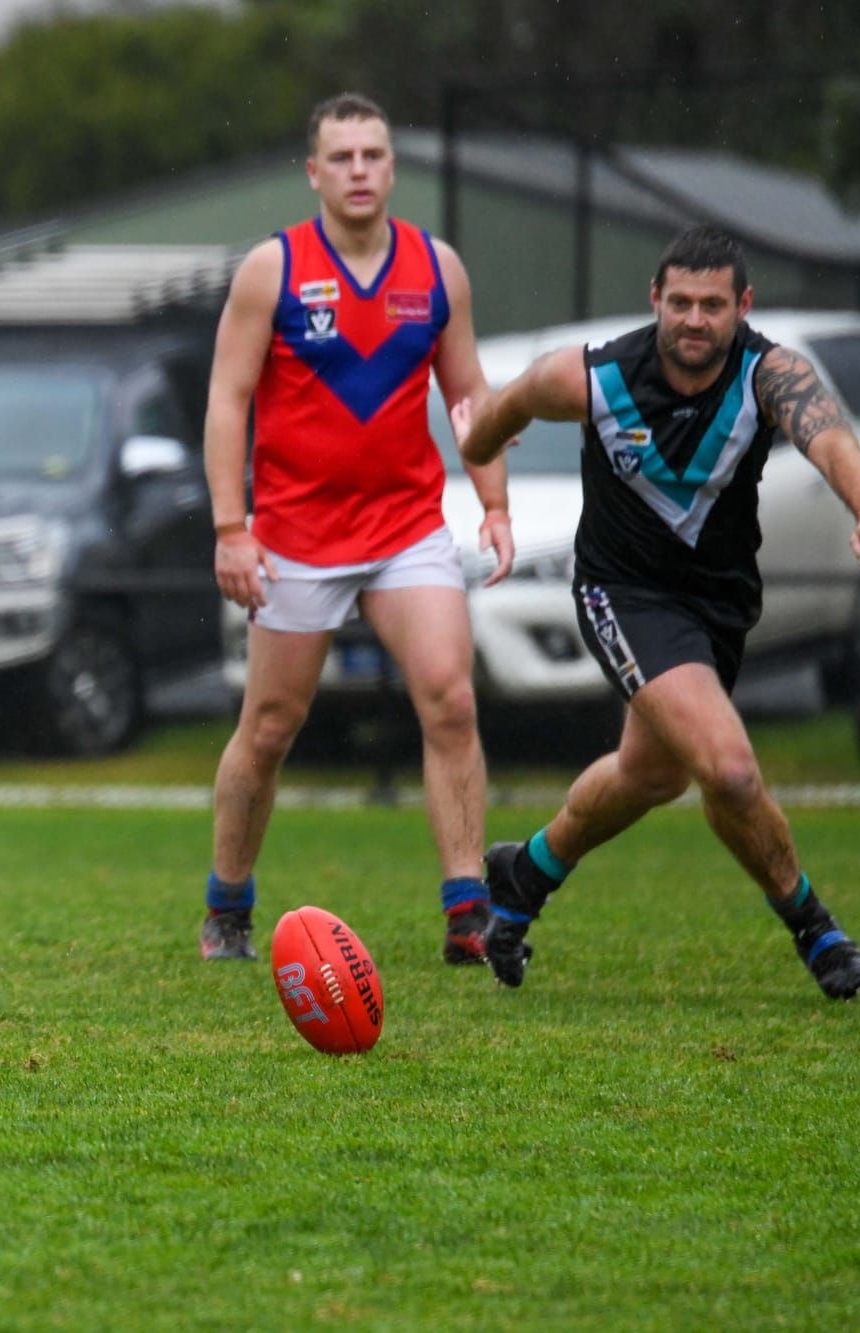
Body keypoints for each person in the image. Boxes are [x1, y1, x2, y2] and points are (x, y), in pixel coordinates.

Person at [453, 224, 860, 999]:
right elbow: (499, 411)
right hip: (621, 593)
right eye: (680, 302)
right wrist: (484, 450)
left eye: (712, 305)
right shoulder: (592, 377)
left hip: (716, 606)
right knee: (728, 768)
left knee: (649, 774)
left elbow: (830, 439)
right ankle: (815, 927)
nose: (694, 319)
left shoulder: (768, 374)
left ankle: (524, 875)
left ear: (742, 306)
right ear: (654, 298)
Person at [199, 92, 515, 964]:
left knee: (451, 697)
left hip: (408, 527)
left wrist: (493, 504)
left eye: (373, 154)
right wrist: (231, 527)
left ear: (393, 166)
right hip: (296, 537)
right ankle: (227, 905)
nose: (359, 170)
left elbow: (469, 396)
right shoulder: (272, 269)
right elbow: (227, 401)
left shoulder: (437, 268)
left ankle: (467, 912)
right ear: (313, 172)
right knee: (270, 727)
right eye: (341, 157)